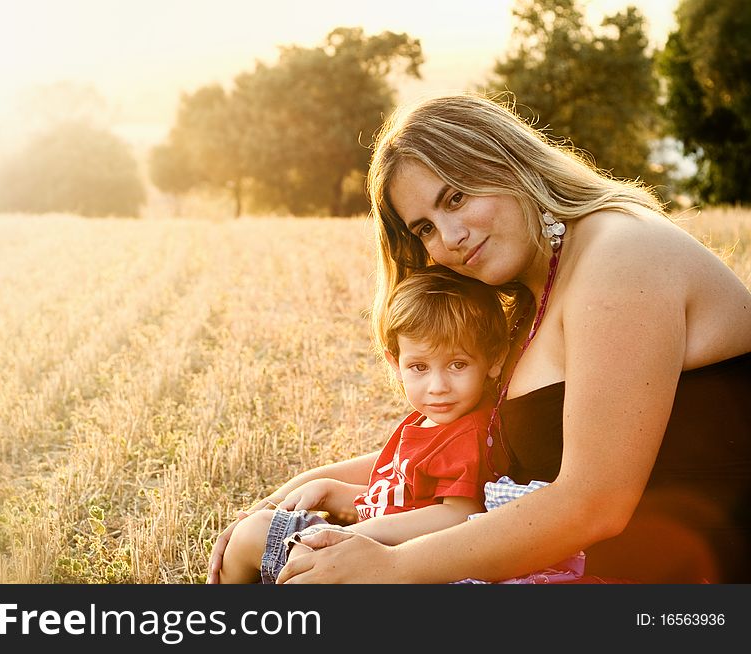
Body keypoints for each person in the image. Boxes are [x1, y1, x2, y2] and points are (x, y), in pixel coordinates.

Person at [209, 92, 751, 584]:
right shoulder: (533, 294)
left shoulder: (621, 254)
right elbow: (471, 446)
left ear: (510, 162)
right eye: (423, 227)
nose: (449, 238)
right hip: (579, 569)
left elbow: (594, 503)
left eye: (455, 198)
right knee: (275, 545)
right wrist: (303, 487)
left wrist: (391, 568)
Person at [212, 265, 509, 583]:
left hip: (388, 562)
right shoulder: (432, 421)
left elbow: (458, 514)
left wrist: (346, 537)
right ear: (396, 365)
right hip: (373, 546)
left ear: (494, 360)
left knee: (252, 535)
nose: (438, 386)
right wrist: (329, 490)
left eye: (458, 364)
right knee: (253, 530)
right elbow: (397, 500)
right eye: (419, 367)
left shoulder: (468, 432)